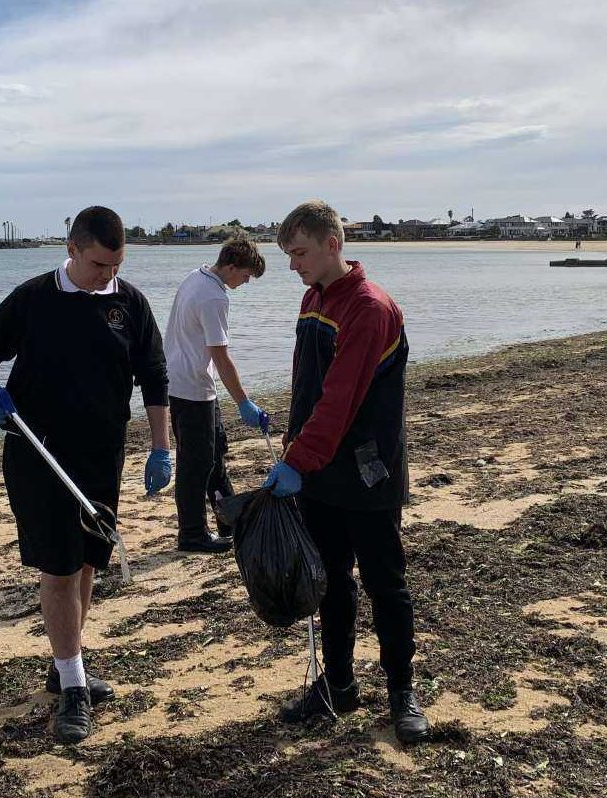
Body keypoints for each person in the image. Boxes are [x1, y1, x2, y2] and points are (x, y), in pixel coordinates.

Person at [0, 206, 171, 744]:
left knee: (85, 563)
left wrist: (160, 447)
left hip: (101, 456)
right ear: (73, 249)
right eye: (100, 263)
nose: (108, 274)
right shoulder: (34, 298)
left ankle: (64, 666)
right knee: (57, 567)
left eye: (116, 264)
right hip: (38, 453)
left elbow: (153, 377)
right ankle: (74, 688)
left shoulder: (131, 303)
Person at [262, 200, 430, 744]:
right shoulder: (314, 299)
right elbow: (306, 388)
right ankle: (337, 684)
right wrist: (294, 449)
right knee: (330, 580)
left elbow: (340, 401)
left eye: (300, 253)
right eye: (288, 254)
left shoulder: (369, 308)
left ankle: (402, 691)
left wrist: (294, 462)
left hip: (368, 470)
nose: (293, 265)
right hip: (319, 472)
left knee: (385, 583)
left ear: (333, 245)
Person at [163, 238, 269, 554]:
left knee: (213, 455)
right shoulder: (213, 298)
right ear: (231, 266)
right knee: (196, 465)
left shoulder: (195, 278)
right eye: (246, 276)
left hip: (186, 382)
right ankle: (192, 534)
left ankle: (229, 521)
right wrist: (243, 402)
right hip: (193, 388)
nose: (245, 282)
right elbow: (221, 357)